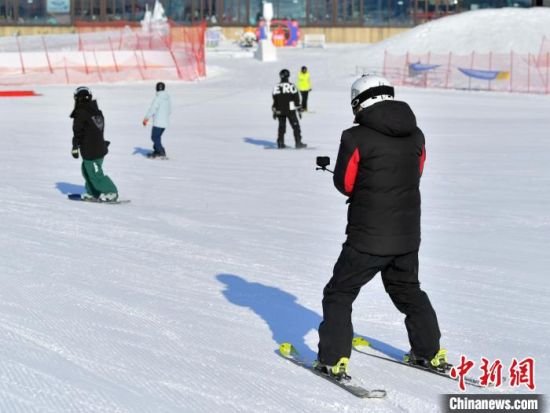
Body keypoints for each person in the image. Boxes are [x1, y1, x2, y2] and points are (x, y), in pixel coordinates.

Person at [314, 74, 445, 380]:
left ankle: (332, 359)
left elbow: (346, 184)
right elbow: (416, 172)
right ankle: (429, 353)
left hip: (368, 236)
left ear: (359, 102)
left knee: (339, 293)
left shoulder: (354, 137)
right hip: (407, 235)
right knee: (408, 290)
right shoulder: (416, 135)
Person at [71, 86, 118, 202]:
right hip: (98, 148)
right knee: (86, 170)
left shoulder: (81, 113)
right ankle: (93, 192)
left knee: (95, 174)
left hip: (91, 151)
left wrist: (75, 146)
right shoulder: (96, 111)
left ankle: (111, 192)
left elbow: (78, 132)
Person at [272, 69, 307, 149]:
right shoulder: (291, 86)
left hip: (280, 111)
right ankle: (298, 142)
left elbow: (275, 101)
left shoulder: (276, 87)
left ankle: (280, 143)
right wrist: (299, 109)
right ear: (288, 75)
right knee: (296, 126)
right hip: (290, 110)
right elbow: (296, 99)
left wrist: (274, 111)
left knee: (281, 127)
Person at [143, 82, 172, 158]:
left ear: (156, 88)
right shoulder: (167, 98)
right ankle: (157, 151)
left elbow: (152, 109)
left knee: (154, 137)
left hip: (158, 123)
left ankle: (161, 152)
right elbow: (170, 110)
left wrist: (146, 118)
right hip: (165, 123)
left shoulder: (158, 98)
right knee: (157, 137)